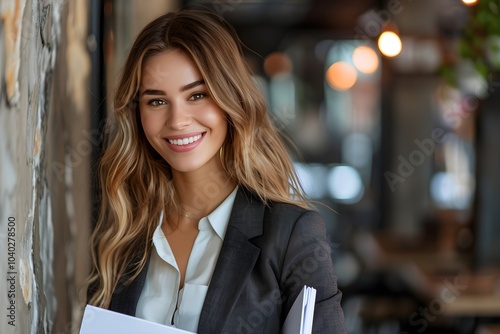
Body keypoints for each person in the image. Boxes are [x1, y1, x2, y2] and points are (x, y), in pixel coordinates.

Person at [86, 8, 346, 333]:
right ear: (136, 113)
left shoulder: (291, 235)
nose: (177, 121)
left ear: (230, 100)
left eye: (197, 95)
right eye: (156, 101)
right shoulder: (120, 231)